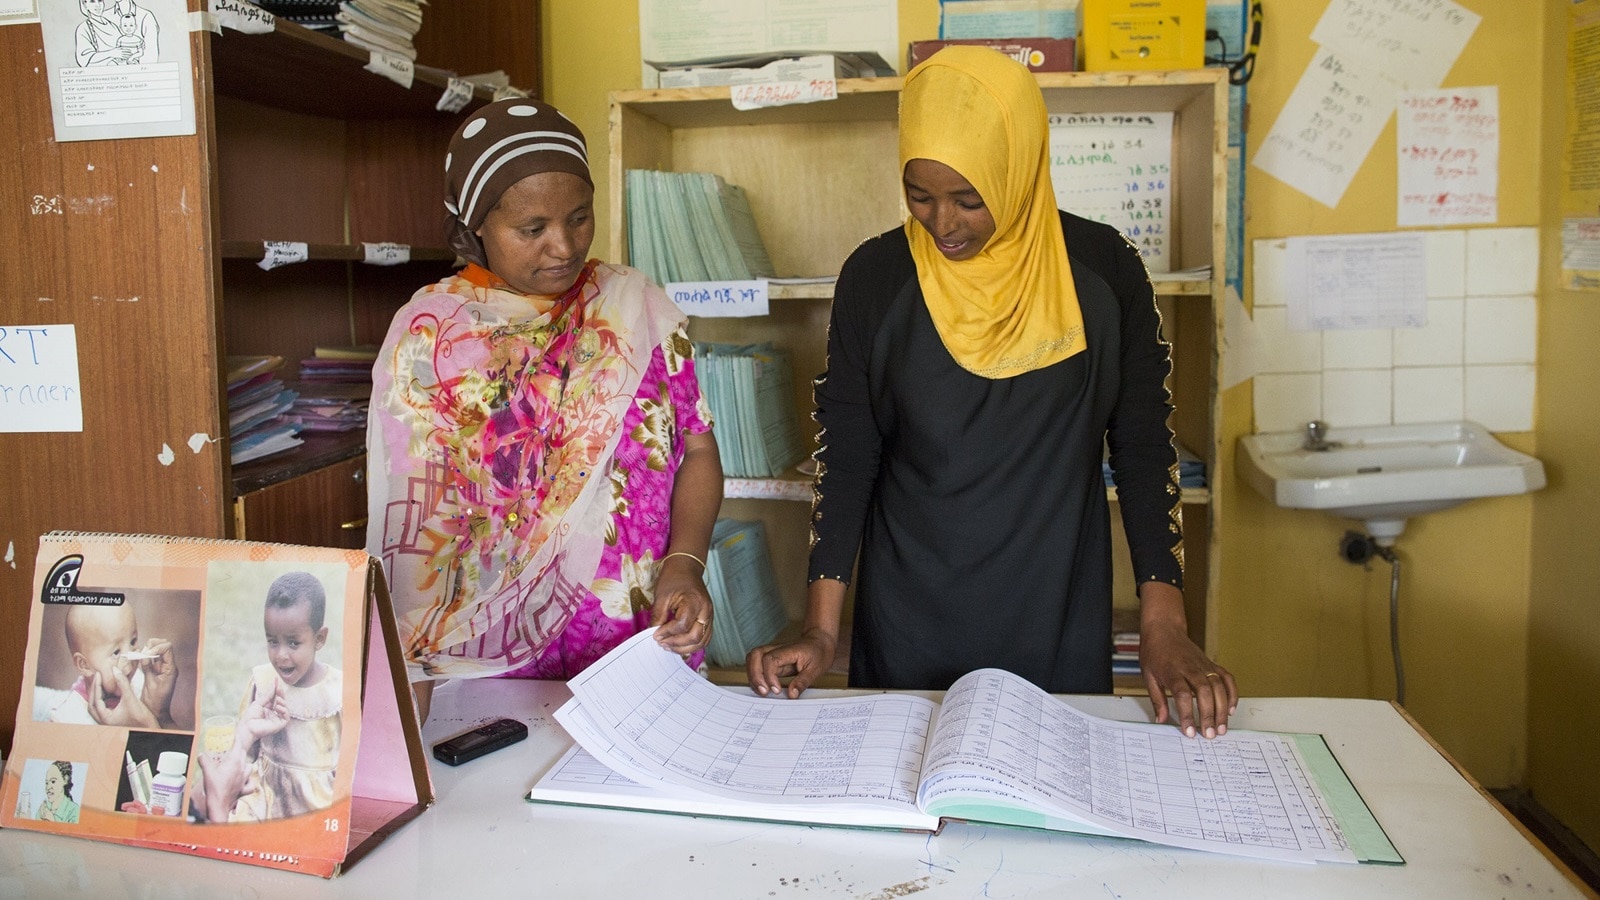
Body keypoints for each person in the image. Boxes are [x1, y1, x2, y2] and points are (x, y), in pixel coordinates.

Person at [746, 47, 1238, 739]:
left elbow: (1142, 445)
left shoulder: (1103, 271)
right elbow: (849, 453)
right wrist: (823, 630)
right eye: (921, 197)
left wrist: (1164, 626)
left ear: (1019, 165)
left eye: (970, 199)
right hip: (909, 616)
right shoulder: (877, 277)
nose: (944, 225)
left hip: (1056, 613)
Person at [367, 99, 723, 723]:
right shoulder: (432, 338)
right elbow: (416, 526)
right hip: (490, 655)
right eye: (532, 229)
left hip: (635, 634)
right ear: (476, 227)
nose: (563, 246)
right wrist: (414, 676)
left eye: (579, 218)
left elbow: (695, 445)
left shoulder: (634, 309)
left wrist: (686, 565)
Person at [196, 571, 342, 823]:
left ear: (319, 638)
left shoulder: (336, 691)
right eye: (272, 641)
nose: (281, 655)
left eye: (294, 643)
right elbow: (247, 751)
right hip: (264, 798)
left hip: (316, 803)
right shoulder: (263, 682)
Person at [50, 601, 177, 728]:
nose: (130, 663)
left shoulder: (139, 681)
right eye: (116, 652)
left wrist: (157, 713)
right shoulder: (67, 717)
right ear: (84, 665)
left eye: (133, 642)